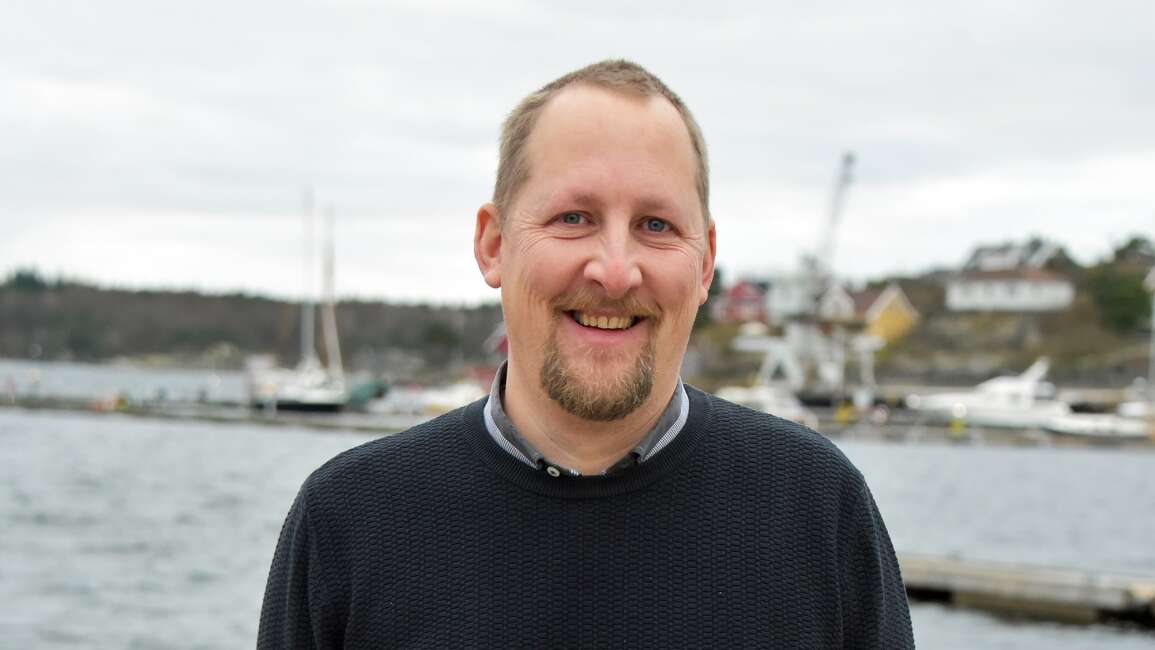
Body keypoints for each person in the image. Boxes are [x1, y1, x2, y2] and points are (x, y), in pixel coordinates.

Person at [258, 59, 914, 648]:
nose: (615, 270)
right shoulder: (349, 520)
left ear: (705, 261)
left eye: (655, 225)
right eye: (573, 218)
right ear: (493, 245)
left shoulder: (817, 510)